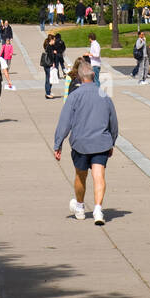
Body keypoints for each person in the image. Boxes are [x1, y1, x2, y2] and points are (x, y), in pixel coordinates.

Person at [54, 62, 119, 225]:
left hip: (81, 143)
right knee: (99, 176)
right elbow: (114, 122)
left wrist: (58, 144)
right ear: (93, 76)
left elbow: (64, 122)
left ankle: (80, 207)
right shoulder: (104, 96)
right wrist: (112, 141)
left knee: (80, 176)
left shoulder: (74, 96)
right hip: (101, 142)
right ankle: (98, 209)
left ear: (80, 78)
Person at [40, 33, 59, 98]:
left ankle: (48, 91)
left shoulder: (51, 46)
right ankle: (48, 93)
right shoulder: (49, 47)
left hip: (48, 65)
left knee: (49, 78)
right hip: (49, 64)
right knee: (49, 79)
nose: (55, 41)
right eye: (54, 40)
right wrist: (53, 63)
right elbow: (50, 56)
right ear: (51, 40)